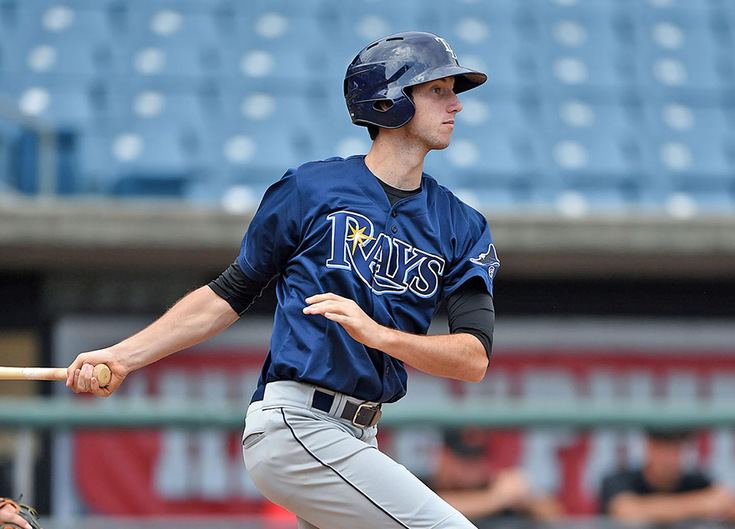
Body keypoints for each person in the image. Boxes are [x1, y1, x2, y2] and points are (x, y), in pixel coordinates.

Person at [66, 32, 499, 529]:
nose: (456, 105)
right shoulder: (311, 189)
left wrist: (379, 336)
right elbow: (227, 294)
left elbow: (473, 358)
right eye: (437, 90)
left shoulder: (461, 223)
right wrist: (122, 356)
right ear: (389, 100)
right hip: (297, 425)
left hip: (361, 437)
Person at [600, 428, 735, 525]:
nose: (669, 458)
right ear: (648, 448)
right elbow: (626, 510)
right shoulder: (619, 478)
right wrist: (701, 504)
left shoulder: (697, 481)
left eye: (675, 449)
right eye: (662, 449)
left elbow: (732, 504)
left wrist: (733, 509)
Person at [427, 428, 561, 523]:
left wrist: (528, 499)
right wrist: (496, 499)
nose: (471, 467)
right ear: (442, 456)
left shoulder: (494, 486)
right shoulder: (422, 485)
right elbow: (431, 511)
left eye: (476, 457)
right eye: (464, 458)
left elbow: (553, 514)